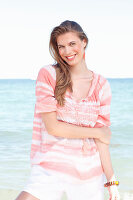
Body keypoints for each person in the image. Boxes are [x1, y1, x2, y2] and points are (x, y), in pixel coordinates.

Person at [16, 20, 120, 200]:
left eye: (72, 44)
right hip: (51, 166)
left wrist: (111, 182)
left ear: (84, 42)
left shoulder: (102, 85)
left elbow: (102, 142)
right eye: (61, 46)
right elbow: (53, 127)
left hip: (88, 172)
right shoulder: (48, 74)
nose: (67, 51)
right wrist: (96, 132)